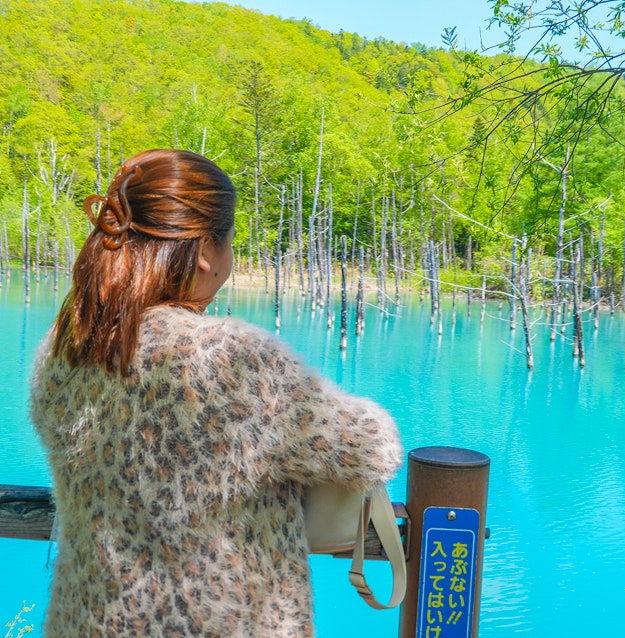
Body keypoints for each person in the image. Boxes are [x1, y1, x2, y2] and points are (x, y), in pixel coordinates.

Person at [30, 149, 403, 637]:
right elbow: (371, 449)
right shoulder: (230, 360)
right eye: (229, 241)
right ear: (206, 250)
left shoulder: (65, 349)